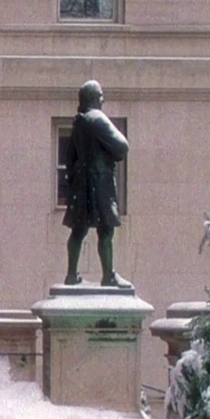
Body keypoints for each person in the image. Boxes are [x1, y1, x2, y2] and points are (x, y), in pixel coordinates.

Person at [63, 80, 130, 287]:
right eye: (100, 95)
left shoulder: (79, 123)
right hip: (99, 182)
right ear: (93, 98)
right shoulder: (97, 118)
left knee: (78, 229)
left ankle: (72, 274)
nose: (103, 99)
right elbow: (122, 146)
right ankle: (108, 275)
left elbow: (69, 158)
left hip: (81, 183)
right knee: (106, 229)